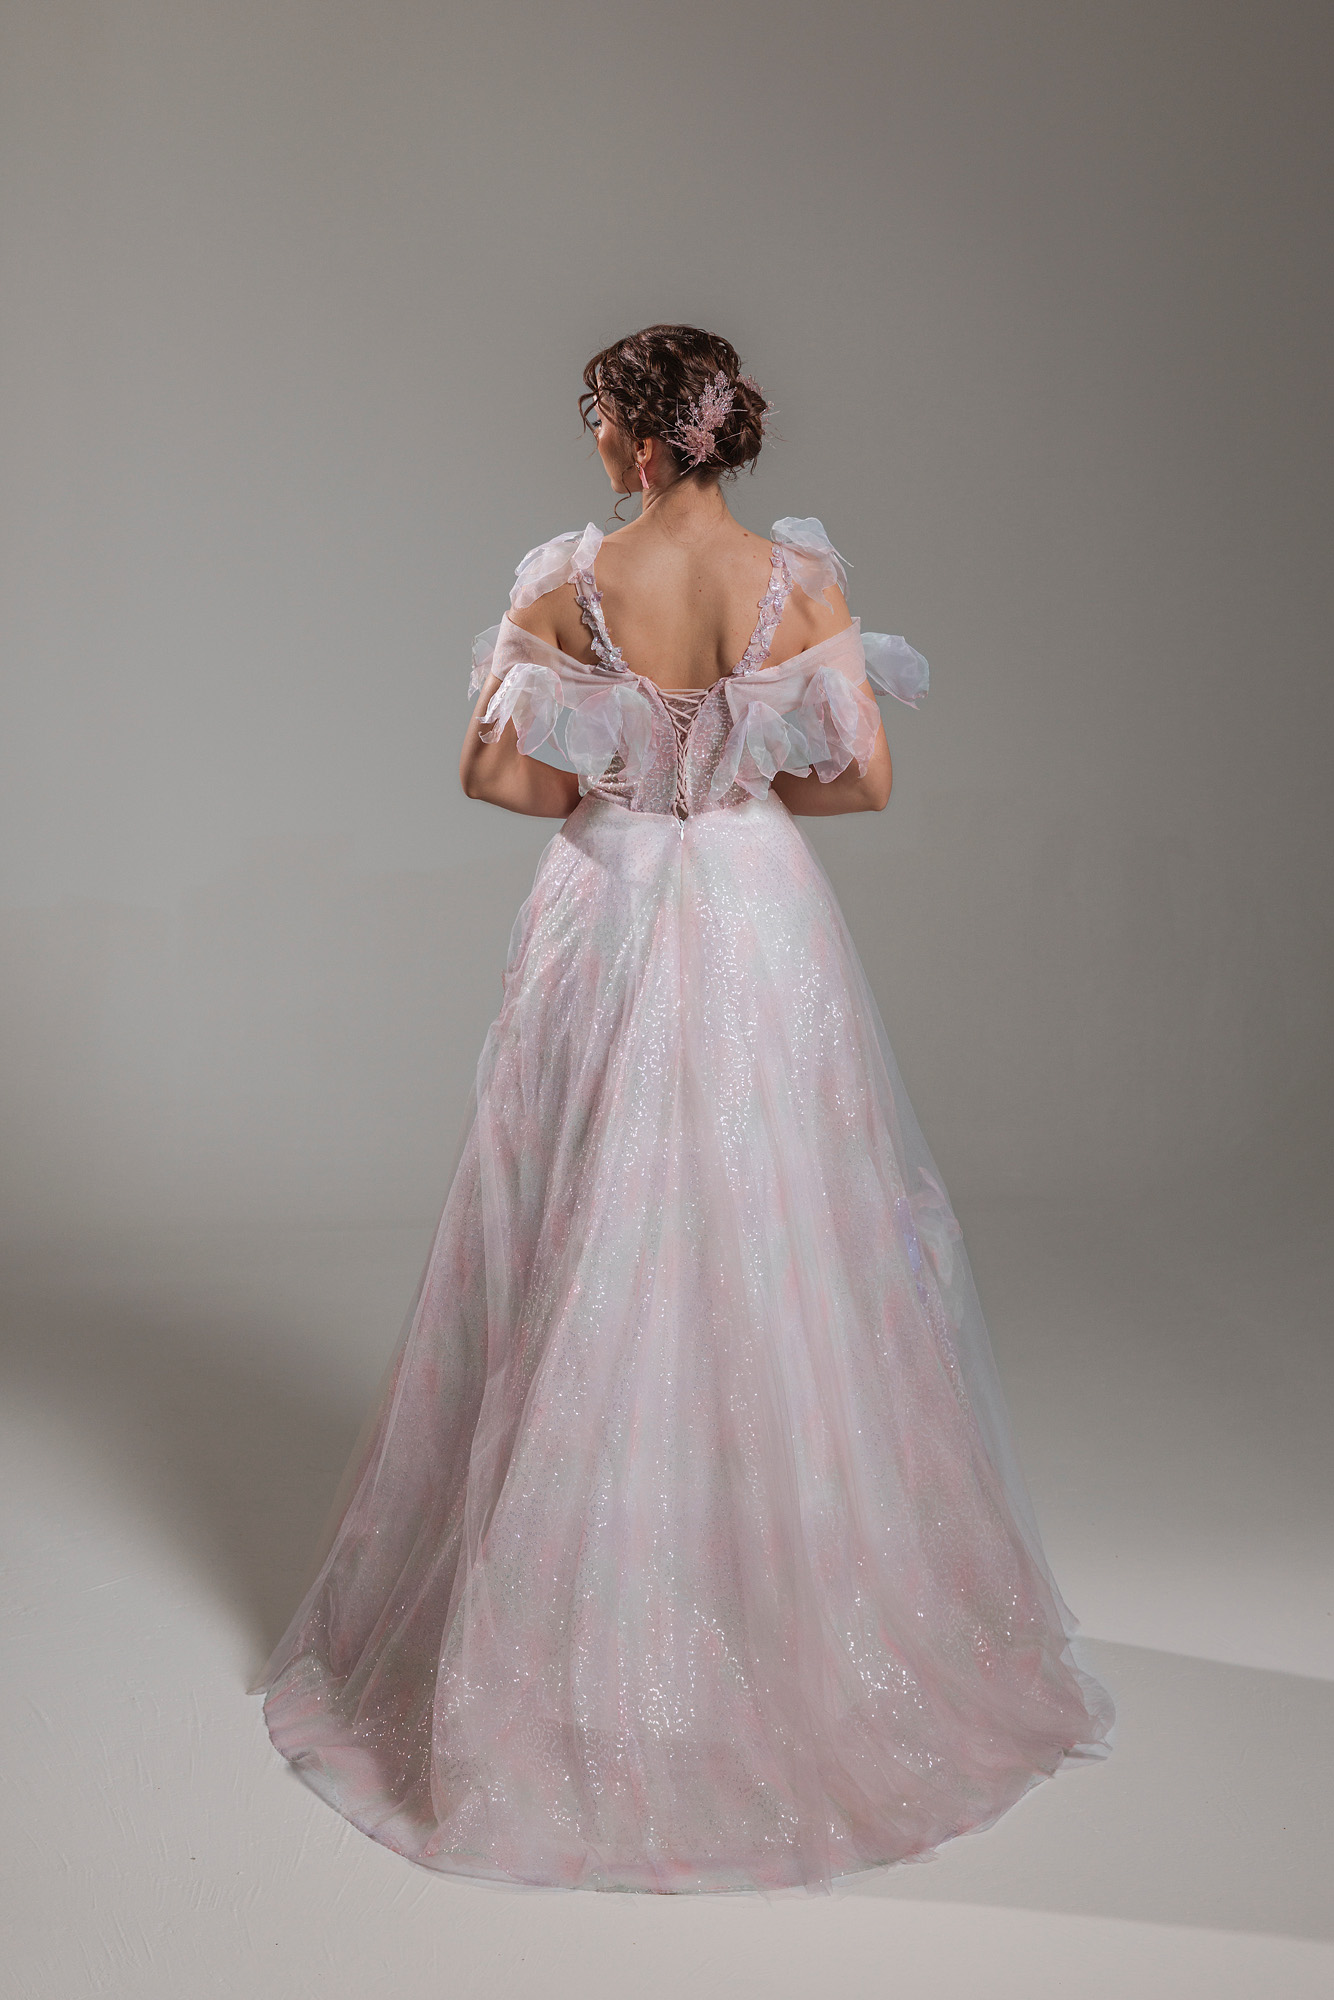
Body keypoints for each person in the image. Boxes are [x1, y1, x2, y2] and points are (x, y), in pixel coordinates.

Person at [251, 324, 1114, 1894]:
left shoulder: (568, 580)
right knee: (777, 1220)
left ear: (644, 442)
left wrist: (610, 764)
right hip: (754, 905)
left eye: (596, 418)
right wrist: (735, 774)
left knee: (583, 1215)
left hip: (610, 896)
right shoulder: (796, 584)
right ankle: (790, 1598)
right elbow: (859, 782)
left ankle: (579, 1604)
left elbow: (499, 780)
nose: (590, 441)